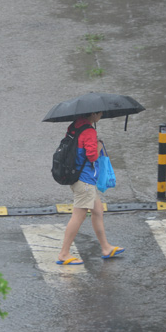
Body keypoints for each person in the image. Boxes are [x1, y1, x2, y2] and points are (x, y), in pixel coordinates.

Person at [56, 111, 125, 265]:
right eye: (99, 113)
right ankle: (64, 253)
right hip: (84, 181)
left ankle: (106, 247)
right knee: (78, 216)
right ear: (93, 113)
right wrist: (98, 145)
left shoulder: (75, 126)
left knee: (98, 211)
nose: (101, 115)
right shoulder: (88, 131)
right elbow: (92, 156)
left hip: (77, 177)